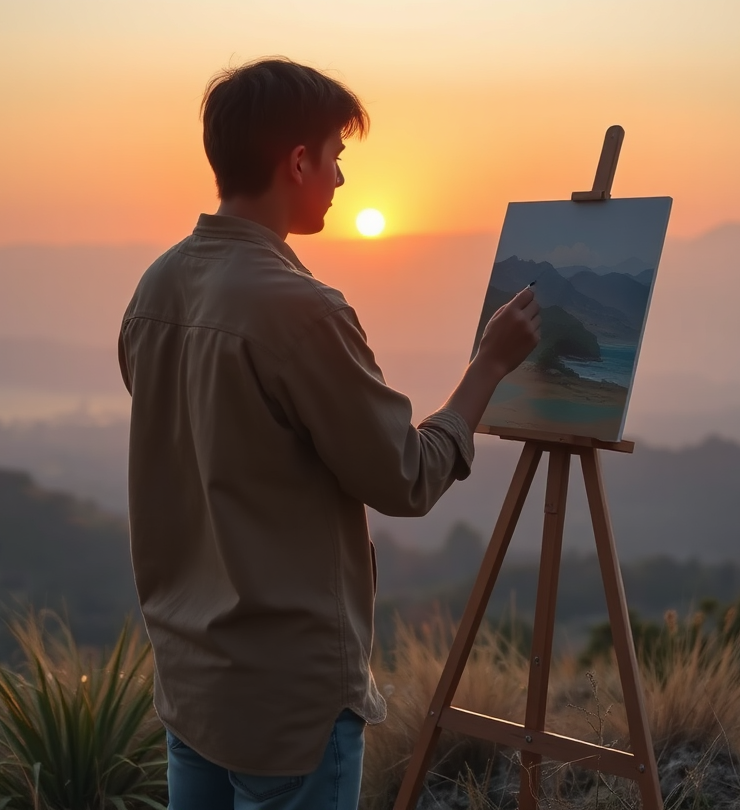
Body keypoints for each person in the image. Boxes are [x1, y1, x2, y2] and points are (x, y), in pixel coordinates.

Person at [118, 57, 540, 810]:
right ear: (299, 159)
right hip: (292, 702)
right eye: (337, 158)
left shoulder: (157, 287)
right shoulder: (300, 309)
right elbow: (405, 477)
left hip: (192, 682)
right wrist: (489, 367)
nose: (342, 181)